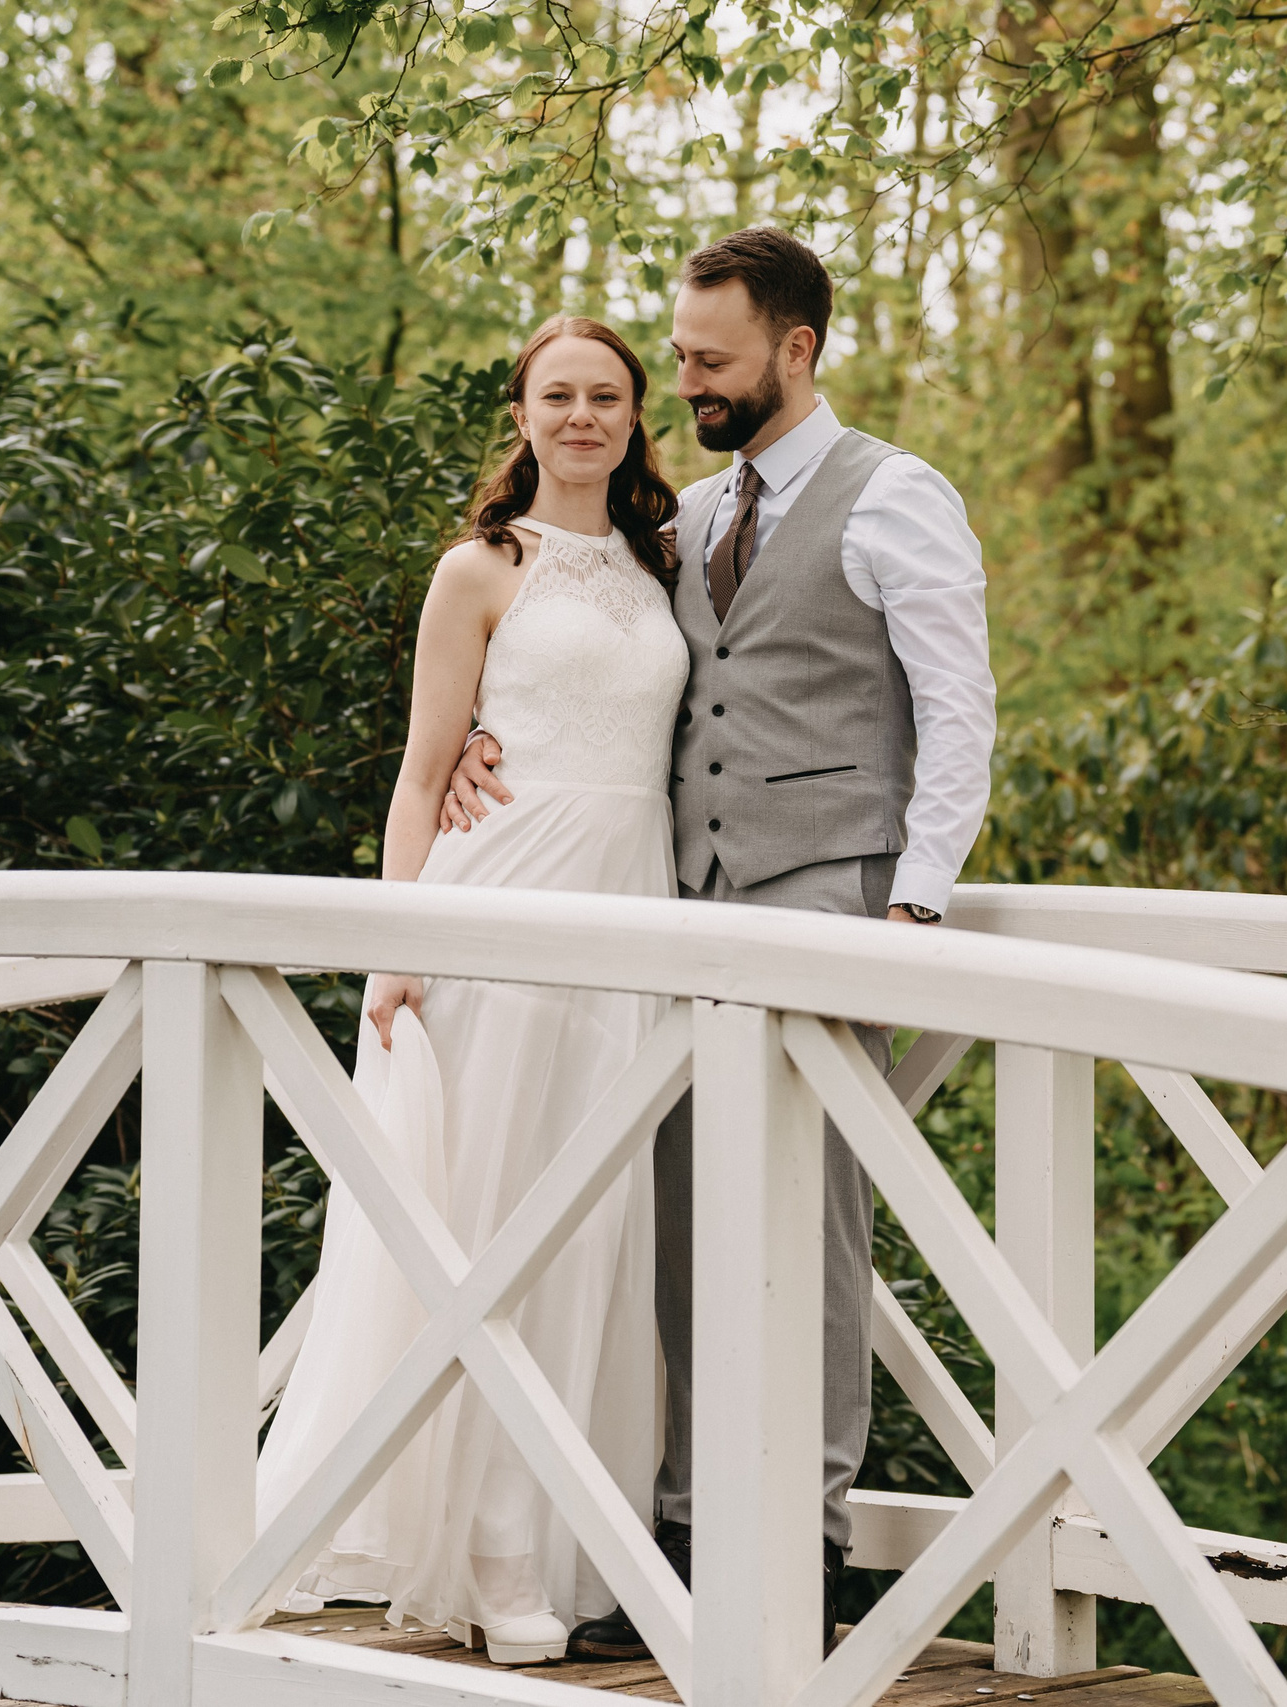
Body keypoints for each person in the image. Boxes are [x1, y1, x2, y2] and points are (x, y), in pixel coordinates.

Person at [441, 227, 999, 1660]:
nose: (680, 376)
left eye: (707, 358)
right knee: (674, 1206)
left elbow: (961, 717)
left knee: (807, 1221)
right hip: (679, 901)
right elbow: (622, 680)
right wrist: (474, 756)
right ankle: (677, 1531)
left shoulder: (898, 499)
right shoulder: (683, 518)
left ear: (795, 351)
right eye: (677, 354)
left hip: (830, 896)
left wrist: (917, 905)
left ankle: (802, 1549)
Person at [255, 315, 689, 1666]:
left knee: (593, 1224)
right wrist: (401, 938)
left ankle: (570, 1532)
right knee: (490, 1213)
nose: (582, 416)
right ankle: (496, 1561)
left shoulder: (664, 561)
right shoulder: (479, 569)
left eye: (606, 395)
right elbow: (419, 766)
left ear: (633, 416)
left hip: (634, 910)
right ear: (521, 411)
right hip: (503, 894)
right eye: (557, 394)